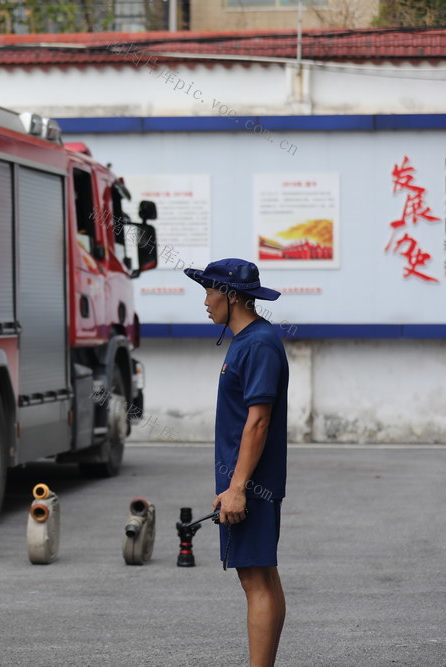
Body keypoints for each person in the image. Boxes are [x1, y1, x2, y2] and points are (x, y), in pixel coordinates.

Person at [184, 258, 289, 667]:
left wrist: (239, 487)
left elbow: (258, 421)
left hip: (252, 483)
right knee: (262, 574)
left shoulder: (259, 344)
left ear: (231, 296)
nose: (206, 302)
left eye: (210, 292)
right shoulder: (249, 340)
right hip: (245, 482)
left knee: (255, 579)